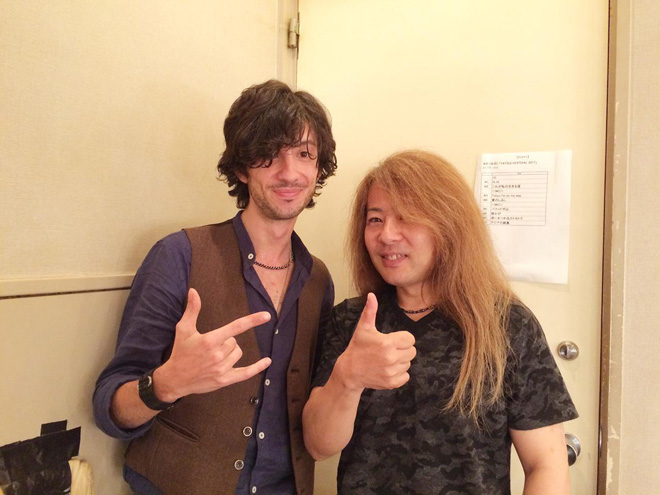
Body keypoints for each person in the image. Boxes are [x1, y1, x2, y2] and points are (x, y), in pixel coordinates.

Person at [93, 79, 337, 495]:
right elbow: (109, 407)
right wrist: (167, 383)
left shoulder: (318, 279)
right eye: (270, 154)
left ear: (318, 169)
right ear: (241, 168)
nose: (289, 172)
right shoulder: (179, 255)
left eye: (303, 154)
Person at [303, 150, 578, 494]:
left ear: (448, 224)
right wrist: (348, 378)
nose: (387, 235)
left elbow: (546, 464)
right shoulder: (350, 321)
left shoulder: (505, 325)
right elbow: (319, 446)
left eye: (406, 217)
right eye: (375, 219)